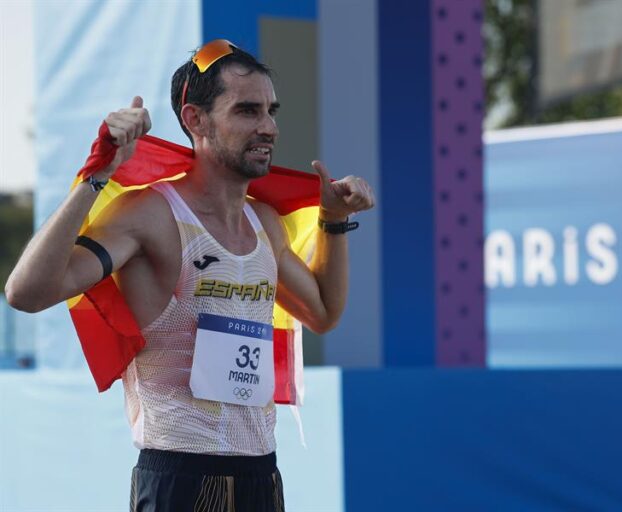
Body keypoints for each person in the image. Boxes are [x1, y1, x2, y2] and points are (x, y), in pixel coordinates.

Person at [4, 39, 375, 511]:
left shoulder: (264, 222)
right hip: (180, 476)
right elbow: (26, 292)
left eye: (270, 111)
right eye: (246, 111)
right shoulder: (150, 215)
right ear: (195, 119)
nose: (268, 128)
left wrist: (333, 221)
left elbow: (322, 313)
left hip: (262, 475)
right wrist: (96, 175)